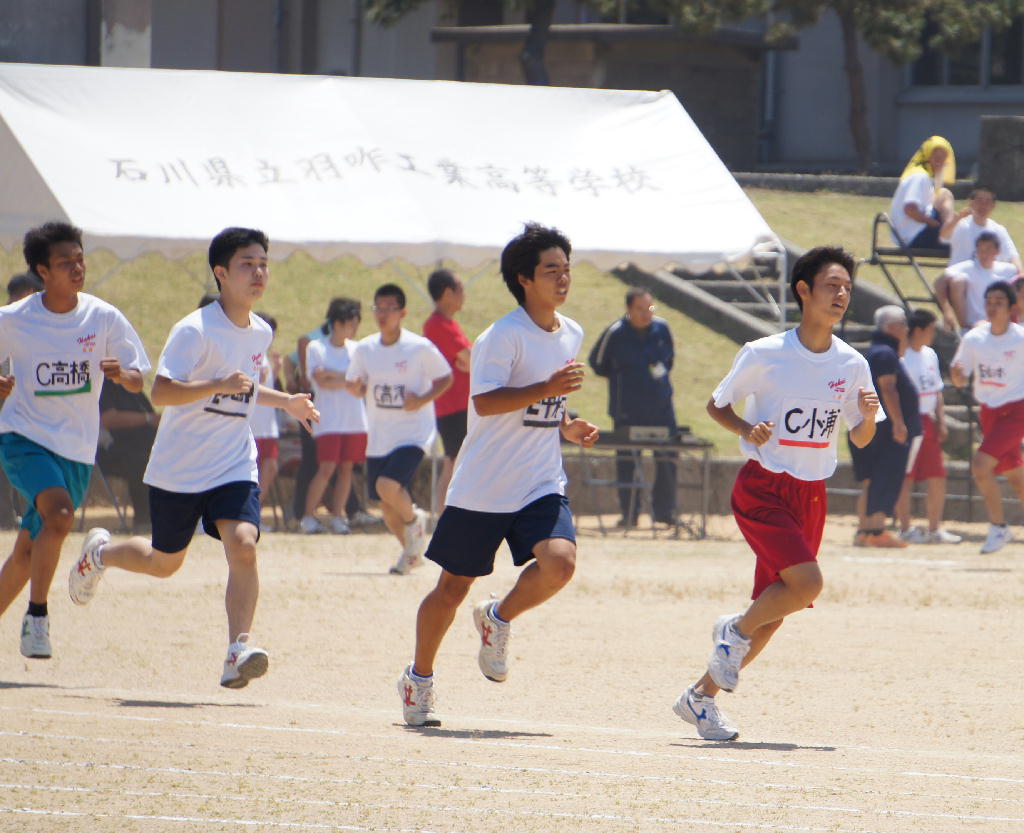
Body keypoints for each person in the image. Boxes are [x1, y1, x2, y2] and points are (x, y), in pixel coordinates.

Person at [67, 227, 319, 689]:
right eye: (247, 263)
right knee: (166, 563)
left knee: (243, 543)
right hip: (180, 468)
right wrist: (215, 385)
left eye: (263, 263)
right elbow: (161, 390)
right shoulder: (193, 329)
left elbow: (244, 388)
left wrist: (288, 403)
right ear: (221, 273)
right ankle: (100, 554)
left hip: (232, 461)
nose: (258, 271)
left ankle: (236, 650)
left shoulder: (259, 329)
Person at [672, 245, 879, 742]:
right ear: (803, 290)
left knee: (777, 611)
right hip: (764, 488)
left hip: (812, 493)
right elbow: (717, 406)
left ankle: (700, 699)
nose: (842, 294)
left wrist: (868, 415)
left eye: (847, 286)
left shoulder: (852, 364)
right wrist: (748, 428)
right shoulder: (764, 352)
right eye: (832, 284)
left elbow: (861, 438)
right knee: (807, 585)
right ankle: (733, 631)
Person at [397, 223, 599, 728]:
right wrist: (547, 385)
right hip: (484, 485)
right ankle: (417, 680)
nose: (563, 277)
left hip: (538, 481)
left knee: (561, 562)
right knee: (450, 589)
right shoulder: (502, 336)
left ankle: (498, 618)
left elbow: (549, 404)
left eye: (566, 268)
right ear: (523, 279)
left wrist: (569, 426)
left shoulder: (570, 331)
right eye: (551, 269)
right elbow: (485, 402)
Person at [0, 221, 150, 660]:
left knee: (29, 551)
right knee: (61, 515)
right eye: (65, 261)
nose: (77, 267)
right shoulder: (14, 319)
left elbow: (141, 377)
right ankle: (38, 618)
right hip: (23, 437)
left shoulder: (102, 316)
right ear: (42, 271)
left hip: (77, 450)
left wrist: (125, 375)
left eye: (80, 258)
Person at [345, 283, 452, 575]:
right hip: (380, 435)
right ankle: (411, 552)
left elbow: (445, 378)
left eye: (389, 308)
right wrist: (356, 388)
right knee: (386, 506)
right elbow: (355, 384)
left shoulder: (419, 347)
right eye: (378, 307)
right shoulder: (365, 348)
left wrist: (421, 399)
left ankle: (416, 519)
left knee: (387, 487)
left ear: (402, 312)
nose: (383, 314)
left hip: (414, 433)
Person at [589, 287, 678, 527]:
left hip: (661, 408)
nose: (646, 313)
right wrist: (624, 379)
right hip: (627, 410)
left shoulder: (662, 328)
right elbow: (597, 363)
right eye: (640, 308)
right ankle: (629, 514)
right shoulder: (616, 332)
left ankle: (664, 512)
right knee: (628, 463)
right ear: (629, 309)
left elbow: (669, 360)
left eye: (650, 307)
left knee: (668, 460)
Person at [950, 281, 1024, 554]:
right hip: (989, 411)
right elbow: (959, 376)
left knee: (981, 466)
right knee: (1016, 476)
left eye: (999, 302)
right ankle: (1000, 528)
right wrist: (957, 376)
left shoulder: (1020, 338)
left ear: (1011, 308)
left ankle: (998, 527)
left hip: (1017, 410)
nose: (992, 307)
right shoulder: (974, 338)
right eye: (989, 301)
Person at [849, 305, 920, 548]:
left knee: (872, 479)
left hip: (876, 426)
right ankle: (876, 529)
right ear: (892, 328)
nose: (907, 329)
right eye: (903, 324)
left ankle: (866, 530)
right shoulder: (885, 354)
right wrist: (899, 423)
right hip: (886, 429)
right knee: (885, 476)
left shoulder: (878, 351)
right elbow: (888, 388)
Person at [300, 298, 368, 535]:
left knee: (347, 468)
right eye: (351, 323)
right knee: (327, 468)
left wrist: (335, 377)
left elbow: (361, 385)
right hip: (327, 419)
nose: (354, 329)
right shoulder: (316, 347)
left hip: (354, 419)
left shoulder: (358, 348)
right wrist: (347, 379)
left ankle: (338, 515)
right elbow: (320, 380)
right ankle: (308, 516)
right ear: (337, 323)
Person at [895, 309, 961, 544]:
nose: (934, 334)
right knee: (905, 476)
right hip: (909, 419)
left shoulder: (930, 355)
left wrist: (940, 420)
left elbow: (937, 391)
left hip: (928, 421)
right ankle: (905, 528)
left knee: (936, 474)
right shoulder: (901, 357)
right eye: (932, 329)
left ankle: (934, 528)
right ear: (920, 330)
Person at [422, 269, 471, 515]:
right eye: (460, 289)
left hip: (458, 403)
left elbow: (468, 360)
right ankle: (443, 515)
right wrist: (469, 361)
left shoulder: (448, 324)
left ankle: (445, 514)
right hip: (453, 404)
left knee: (455, 459)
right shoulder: (438, 325)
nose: (464, 294)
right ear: (447, 294)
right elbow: (470, 360)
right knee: (454, 460)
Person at [96, 377, 159, 533]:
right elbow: (107, 419)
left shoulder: (135, 389)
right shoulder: (105, 385)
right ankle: (144, 522)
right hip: (109, 453)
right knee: (142, 462)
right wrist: (148, 419)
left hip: (144, 447)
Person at [888, 136, 956, 253]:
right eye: (936, 158)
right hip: (914, 235)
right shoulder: (920, 177)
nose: (939, 164)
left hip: (911, 233)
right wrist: (932, 222)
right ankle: (949, 233)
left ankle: (949, 230)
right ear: (927, 157)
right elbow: (910, 209)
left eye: (943, 160)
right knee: (964, 243)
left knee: (944, 194)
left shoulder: (921, 176)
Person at [942, 232, 1019, 331]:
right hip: (975, 325)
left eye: (987, 249)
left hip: (1002, 324)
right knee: (957, 281)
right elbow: (940, 282)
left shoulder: (1008, 270)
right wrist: (946, 311)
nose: (983, 253)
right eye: (980, 249)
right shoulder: (967, 267)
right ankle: (964, 326)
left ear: (997, 251)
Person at [251, 312, 282, 531]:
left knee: (270, 467)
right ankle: (248, 516)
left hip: (267, 425)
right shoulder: (250, 351)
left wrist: (276, 372)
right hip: (250, 425)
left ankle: (254, 513)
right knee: (250, 471)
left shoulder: (266, 355)